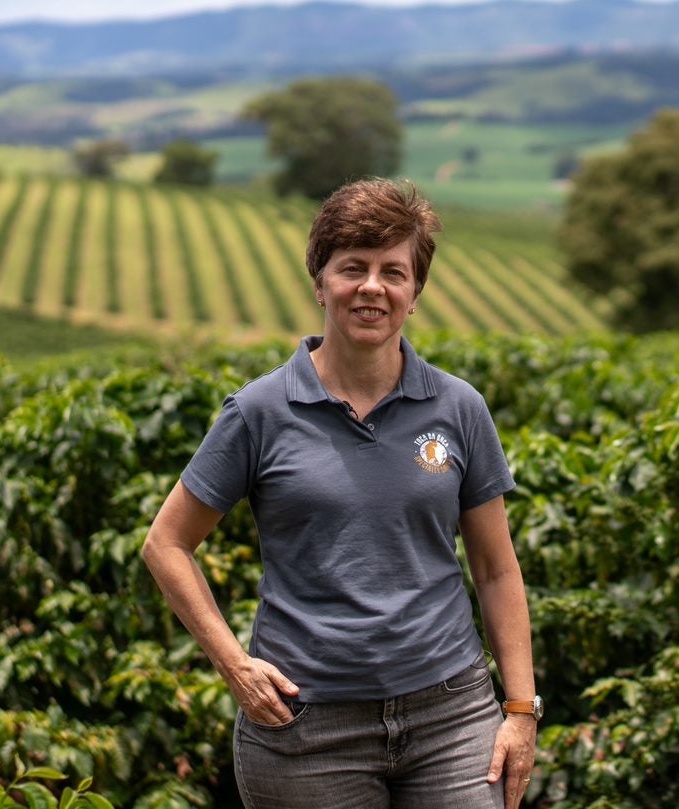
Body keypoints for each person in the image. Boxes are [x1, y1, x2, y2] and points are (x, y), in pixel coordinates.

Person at [142, 178, 539, 809]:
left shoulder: (459, 408)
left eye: (394, 271)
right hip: (306, 729)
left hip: (452, 718)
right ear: (320, 282)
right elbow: (166, 544)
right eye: (352, 267)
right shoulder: (259, 412)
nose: (372, 287)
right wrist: (235, 667)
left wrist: (520, 710)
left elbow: (495, 568)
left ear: (416, 292)